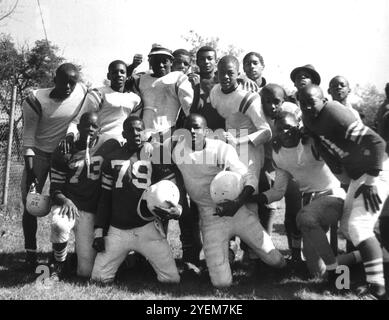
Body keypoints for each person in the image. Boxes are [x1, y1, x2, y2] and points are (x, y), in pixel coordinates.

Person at [173, 114, 286, 287]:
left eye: (197, 127)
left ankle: (283, 268)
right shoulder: (177, 152)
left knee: (275, 259)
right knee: (221, 283)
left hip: (238, 211)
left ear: (206, 131)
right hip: (210, 216)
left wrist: (237, 203)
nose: (192, 132)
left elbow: (248, 176)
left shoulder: (220, 148)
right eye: (188, 128)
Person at [299, 84, 389, 300]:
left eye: (312, 102)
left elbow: (377, 142)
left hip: (375, 171)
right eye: (303, 103)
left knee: (359, 227)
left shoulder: (335, 114)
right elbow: (320, 140)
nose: (308, 107)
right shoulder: (310, 117)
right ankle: (381, 256)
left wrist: (371, 182)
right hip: (359, 175)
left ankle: (378, 289)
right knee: (349, 227)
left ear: (323, 99)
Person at [258, 110, 360, 279]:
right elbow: (278, 191)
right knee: (316, 272)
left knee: (304, 217)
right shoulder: (278, 153)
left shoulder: (312, 142)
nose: (285, 132)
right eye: (280, 129)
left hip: (332, 196)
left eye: (289, 127)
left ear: (299, 126)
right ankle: (361, 257)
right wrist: (250, 199)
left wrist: (316, 135)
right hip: (310, 204)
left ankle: (335, 269)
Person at [91, 115, 181, 284]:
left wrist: (178, 208)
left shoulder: (155, 153)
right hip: (118, 230)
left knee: (171, 280)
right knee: (98, 279)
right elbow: (104, 198)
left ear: (145, 132)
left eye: (139, 129)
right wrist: (98, 232)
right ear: (123, 134)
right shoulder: (111, 158)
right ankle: (129, 262)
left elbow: (171, 188)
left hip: (147, 227)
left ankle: (138, 263)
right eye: (131, 130)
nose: (136, 133)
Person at [21, 63, 87, 270]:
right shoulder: (35, 99)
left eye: (72, 82)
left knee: (67, 201)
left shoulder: (83, 91)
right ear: (54, 78)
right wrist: (31, 168)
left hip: (64, 156)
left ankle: (63, 254)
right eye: (64, 81)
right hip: (39, 154)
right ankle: (31, 253)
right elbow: (28, 136)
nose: (68, 86)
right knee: (32, 204)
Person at [49, 112, 120, 280]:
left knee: (86, 272)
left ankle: (74, 258)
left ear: (99, 130)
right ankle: (59, 262)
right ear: (78, 127)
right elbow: (54, 189)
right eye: (86, 125)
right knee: (59, 225)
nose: (90, 129)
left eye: (94, 126)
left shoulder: (109, 145)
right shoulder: (64, 150)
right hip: (68, 204)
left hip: (90, 210)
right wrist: (66, 200)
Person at [259, 84, 303, 262]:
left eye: (276, 102)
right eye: (267, 102)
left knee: (294, 210)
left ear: (284, 101)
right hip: (269, 161)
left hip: (291, 162)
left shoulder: (292, 111)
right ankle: (265, 252)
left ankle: (296, 252)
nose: (271, 106)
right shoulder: (257, 111)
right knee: (267, 206)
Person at [66, 60, 142, 145]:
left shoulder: (135, 99)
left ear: (127, 75)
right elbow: (78, 120)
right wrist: (70, 136)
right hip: (99, 144)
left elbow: (136, 125)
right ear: (108, 76)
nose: (119, 75)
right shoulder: (99, 93)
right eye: (114, 72)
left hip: (123, 145)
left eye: (122, 72)